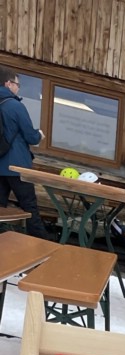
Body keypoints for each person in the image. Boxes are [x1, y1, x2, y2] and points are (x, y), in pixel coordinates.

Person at [0, 66, 52, 239]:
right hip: (17, 165)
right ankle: (41, 244)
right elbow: (30, 136)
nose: (18, 88)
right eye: (17, 85)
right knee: (29, 207)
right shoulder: (15, 105)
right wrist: (39, 135)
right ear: (8, 84)